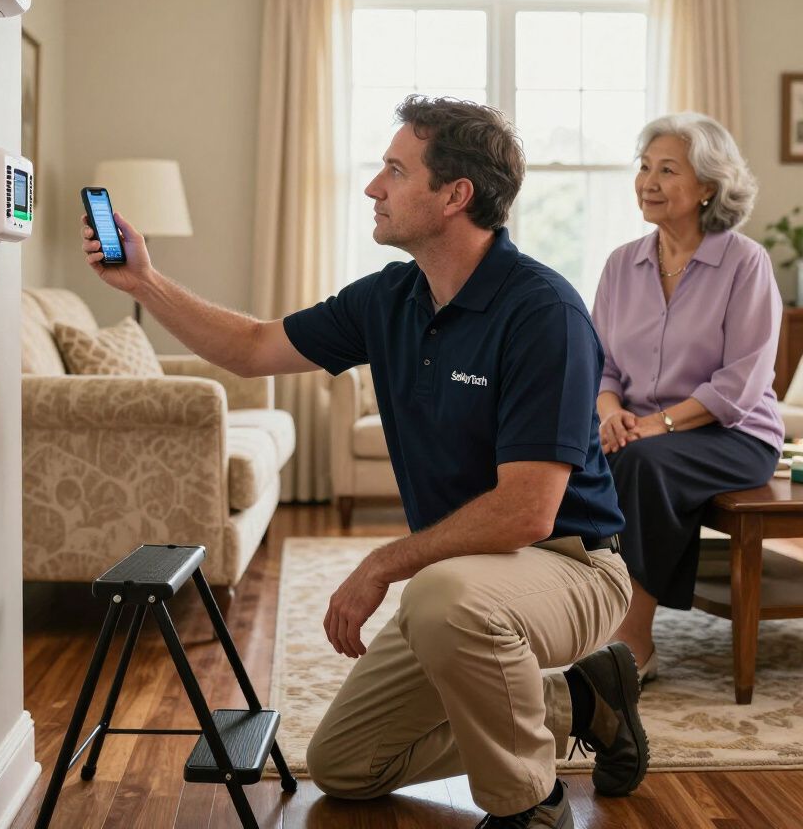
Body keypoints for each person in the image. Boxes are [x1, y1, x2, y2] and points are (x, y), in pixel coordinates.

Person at [81, 96, 648, 829]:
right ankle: (582, 699)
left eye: (393, 170)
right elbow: (254, 348)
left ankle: (528, 805)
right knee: (349, 765)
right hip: (463, 582)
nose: (373, 188)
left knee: (443, 598)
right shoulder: (391, 298)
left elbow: (527, 511)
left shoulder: (544, 313)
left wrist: (384, 562)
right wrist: (145, 283)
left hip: (571, 565)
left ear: (454, 195)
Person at [592, 113, 784, 684]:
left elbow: (743, 383)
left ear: (707, 186)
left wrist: (655, 426)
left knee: (643, 463)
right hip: (640, 431)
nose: (648, 180)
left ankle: (632, 640)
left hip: (734, 435)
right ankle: (578, 615)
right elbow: (599, 364)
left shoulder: (745, 263)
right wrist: (610, 414)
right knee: (565, 456)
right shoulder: (622, 264)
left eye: (667, 169)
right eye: (644, 167)